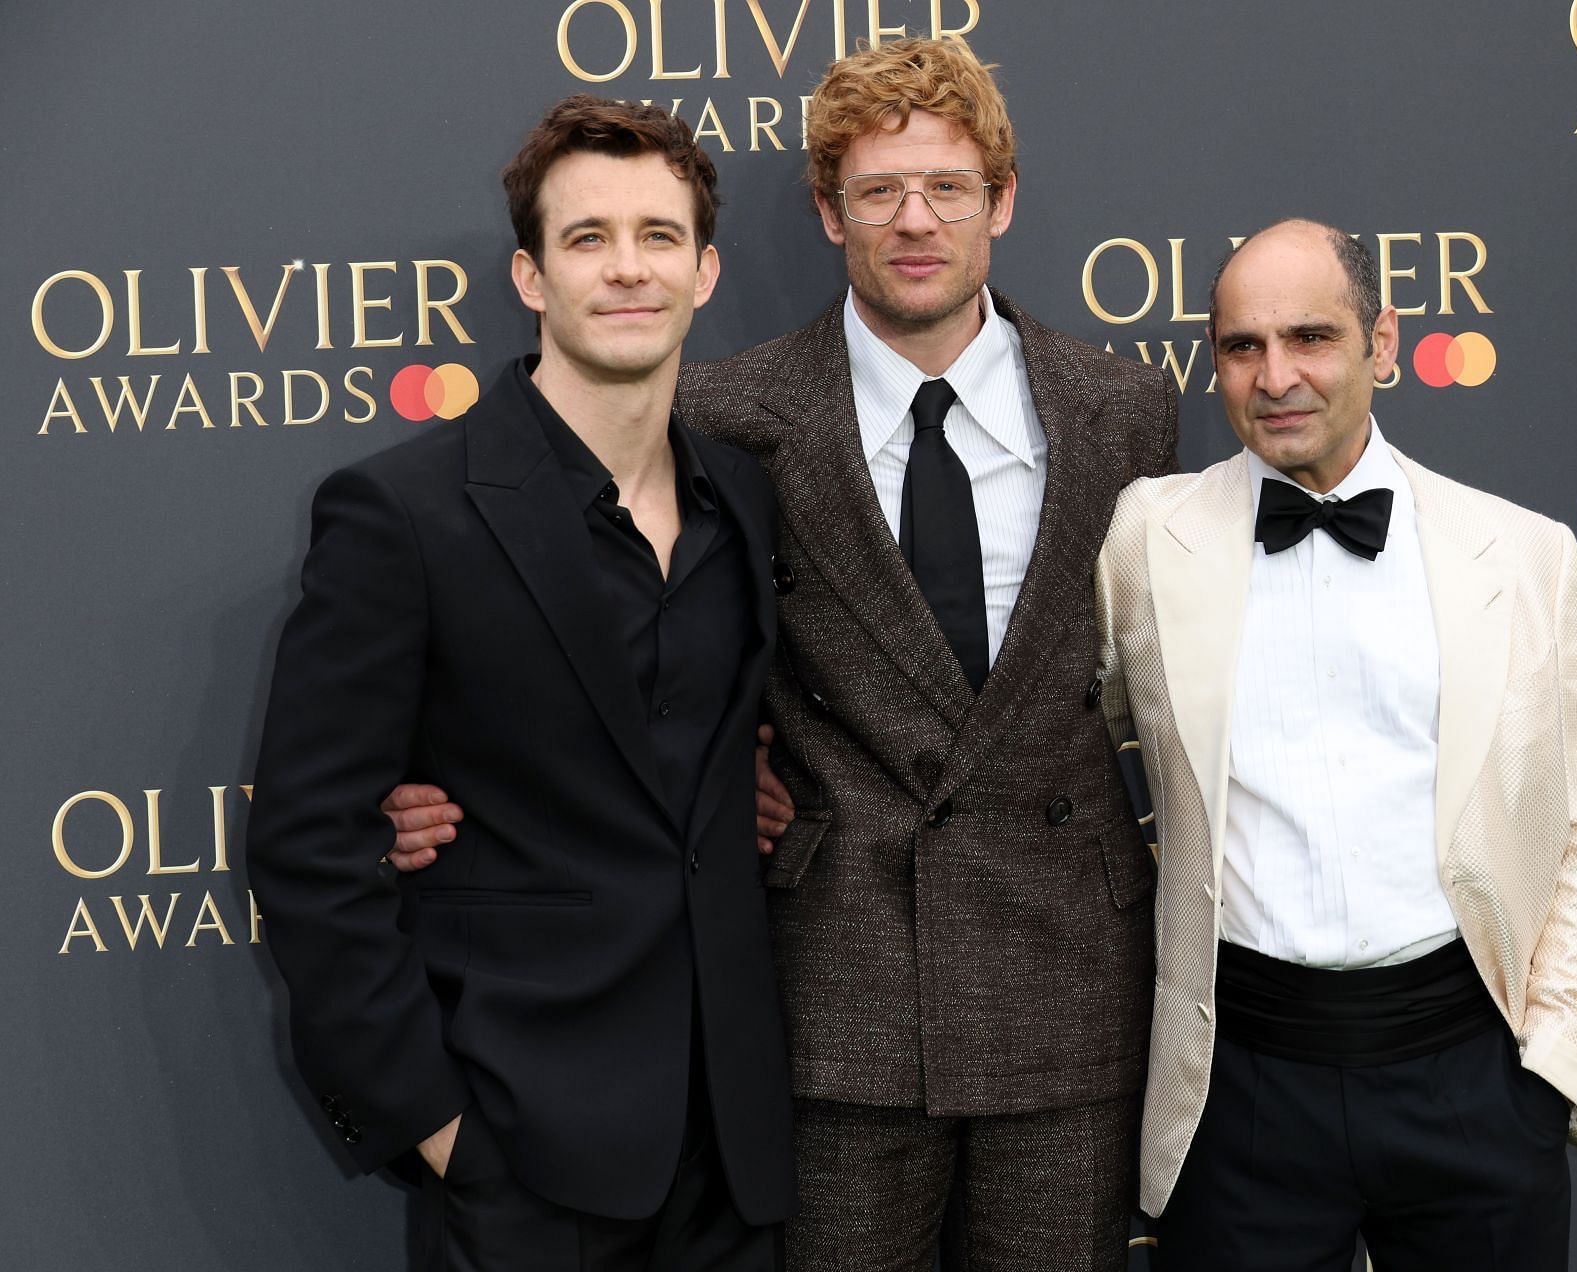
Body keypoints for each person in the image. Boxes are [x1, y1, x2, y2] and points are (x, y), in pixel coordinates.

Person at [385, 37, 1179, 1272]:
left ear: (1002, 202)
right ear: (827, 211)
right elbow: (593, 658)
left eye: (949, 189)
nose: (914, 222)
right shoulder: (721, 415)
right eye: (877, 192)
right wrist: (437, 791)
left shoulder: (1124, 411)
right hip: (832, 996)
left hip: (1067, 988)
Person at [245, 96, 792, 1271]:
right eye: (587, 237)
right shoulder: (403, 512)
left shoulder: (744, 500)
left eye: (658, 236)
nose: (627, 268)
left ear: (704, 273)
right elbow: (305, 843)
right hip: (522, 1156)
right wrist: (439, 1131)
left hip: (734, 1159)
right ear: (530, 278)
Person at [1093, 219, 1577, 1271]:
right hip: (1241, 1089)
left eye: (1311, 337)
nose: (1276, 375)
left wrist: (1554, 1058)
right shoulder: (1148, 539)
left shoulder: (1521, 556)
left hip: (1473, 1082)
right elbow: (1079, 733)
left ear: (1382, 342)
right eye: (1242, 347)